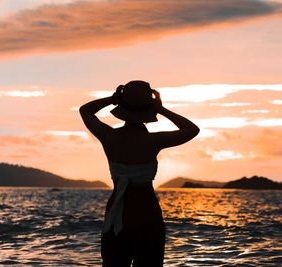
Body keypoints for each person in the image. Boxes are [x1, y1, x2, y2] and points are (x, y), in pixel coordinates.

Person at [79, 80, 199, 267]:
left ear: (122, 106)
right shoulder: (154, 140)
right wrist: (161, 109)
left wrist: (112, 99)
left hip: (118, 210)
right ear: (149, 109)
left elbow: (85, 110)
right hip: (146, 210)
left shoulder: (109, 136)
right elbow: (192, 130)